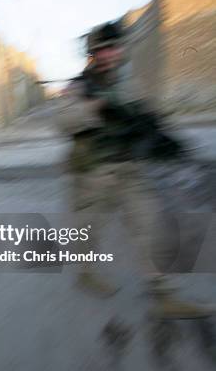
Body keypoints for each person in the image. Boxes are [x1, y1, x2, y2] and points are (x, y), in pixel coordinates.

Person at [56, 20, 213, 319]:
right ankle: (85, 274)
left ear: (121, 49)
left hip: (128, 170)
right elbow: (63, 122)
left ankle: (163, 294)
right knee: (87, 232)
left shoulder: (130, 83)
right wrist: (97, 107)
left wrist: (162, 139)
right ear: (92, 54)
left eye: (113, 48)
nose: (108, 54)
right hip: (91, 174)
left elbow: (147, 118)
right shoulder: (79, 85)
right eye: (101, 50)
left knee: (149, 226)